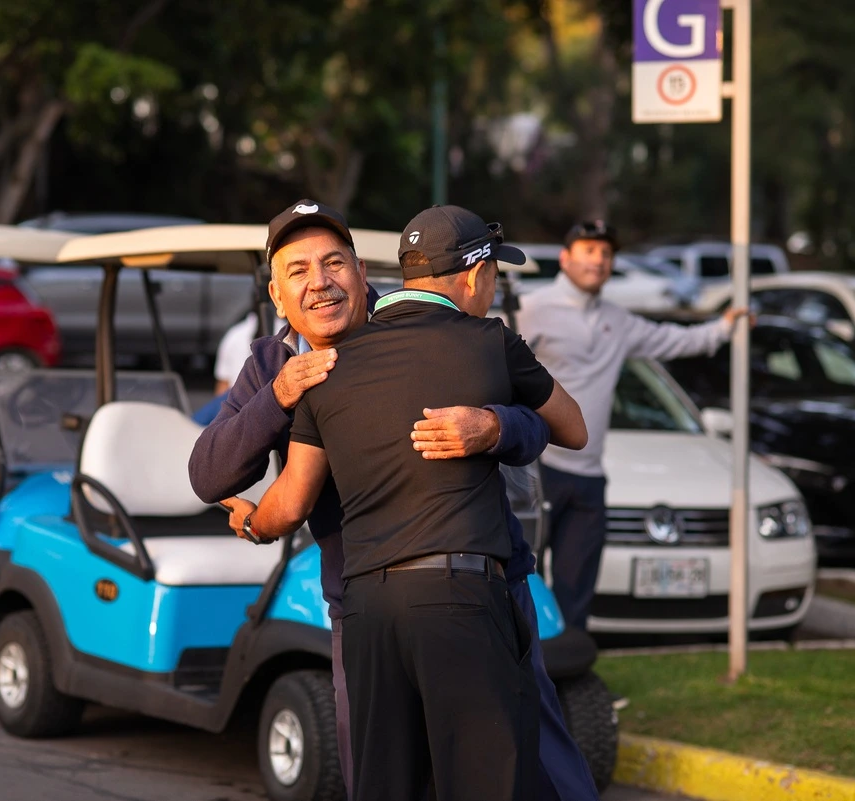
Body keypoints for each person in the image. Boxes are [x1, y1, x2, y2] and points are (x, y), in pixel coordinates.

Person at [189, 199, 599, 801]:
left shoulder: (435, 331)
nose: (321, 283)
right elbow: (208, 474)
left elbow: (542, 423)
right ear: (277, 296)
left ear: (361, 271)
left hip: (488, 592)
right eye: (298, 271)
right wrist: (278, 396)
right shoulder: (273, 365)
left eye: (334, 263)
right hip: (360, 610)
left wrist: (493, 426)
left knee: (537, 773)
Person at [516, 220, 752, 631]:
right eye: (589, 251)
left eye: (606, 254)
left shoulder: (617, 320)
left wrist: (724, 328)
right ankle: (522, 682)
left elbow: (674, 341)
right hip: (540, 469)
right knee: (524, 583)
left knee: (575, 593)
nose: (599, 261)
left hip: (590, 478)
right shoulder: (531, 309)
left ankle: (573, 686)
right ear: (566, 258)